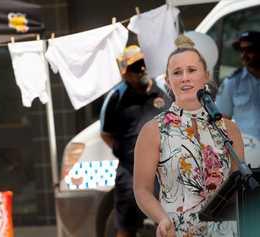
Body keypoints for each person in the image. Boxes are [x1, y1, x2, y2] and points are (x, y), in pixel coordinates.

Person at [134, 35, 244, 237]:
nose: (185, 77)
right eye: (177, 73)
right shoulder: (153, 131)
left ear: (206, 76)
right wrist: (162, 218)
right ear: (168, 81)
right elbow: (141, 189)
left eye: (192, 70)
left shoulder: (230, 129)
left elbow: (240, 187)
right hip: (178, 232)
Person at [100, 45, 170, 237]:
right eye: (134, 67)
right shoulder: (116, 97)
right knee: (125, 227)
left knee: (169, 223)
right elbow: (105, 133)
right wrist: (123, 152)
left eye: (142, 64)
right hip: (130, 172)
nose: (141, 69)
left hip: (164, 171)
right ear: (124, 74)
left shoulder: (163, 90)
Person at [216, 31, 260, 140]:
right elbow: (222, 121)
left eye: (249, 50)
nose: (244, 55)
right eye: (241, 50)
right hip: (247, 151)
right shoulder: (232, 83)